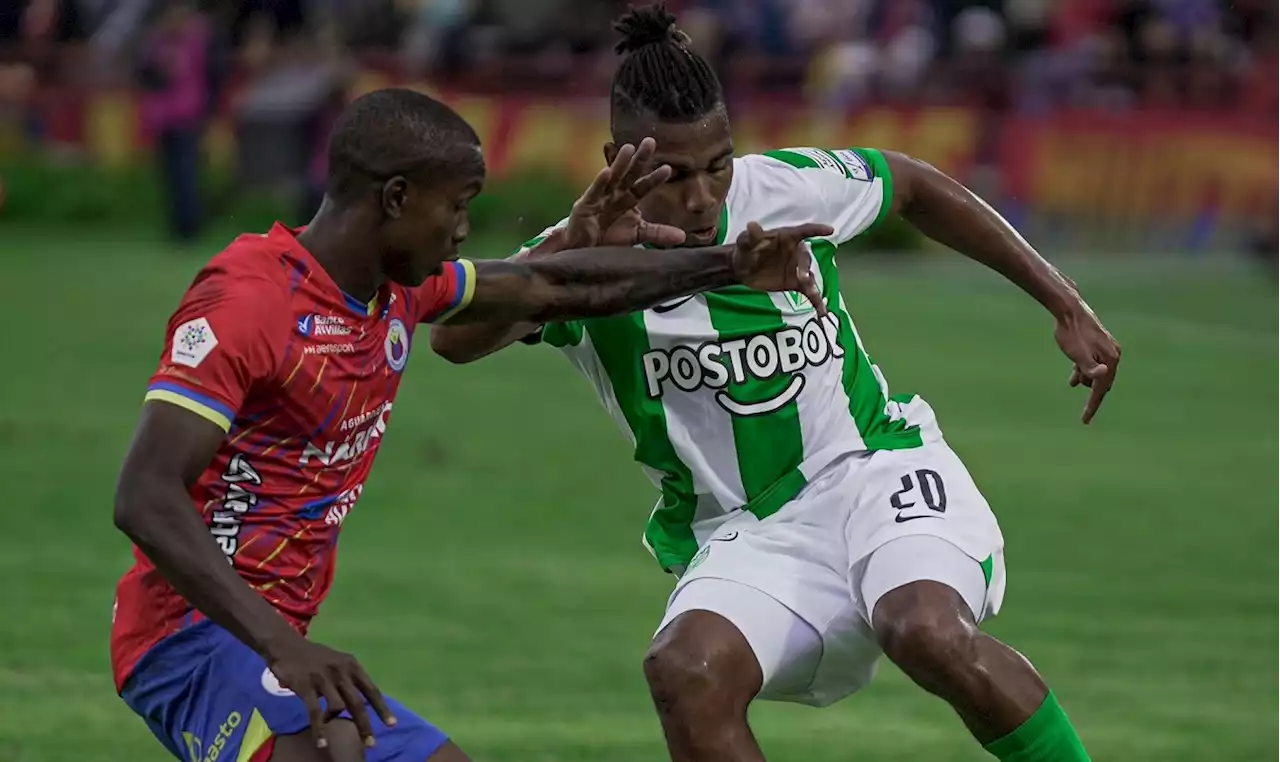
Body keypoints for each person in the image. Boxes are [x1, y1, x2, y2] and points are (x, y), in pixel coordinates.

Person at [429, 6, 1121, 762]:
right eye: (674, 173)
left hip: (873, 469)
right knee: (685, 670)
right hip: (751, 530)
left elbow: (913, 186)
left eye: (717, 164)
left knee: (924, 630)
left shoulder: (785, 190)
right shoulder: (577, 255)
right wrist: (568, 246)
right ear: (619, 158)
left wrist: (1064, 301)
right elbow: (454, 339)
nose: (702, 197)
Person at [110, 86, 828, 762]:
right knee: (330, 749)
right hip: (186, 640)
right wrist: (280, 645)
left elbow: (552, 286)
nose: (462, 229)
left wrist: (728, 265)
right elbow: (144, 494)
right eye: (457, 207)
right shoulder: (249, 301)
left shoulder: (398, 289)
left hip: (265, 641)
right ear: (396, 198)